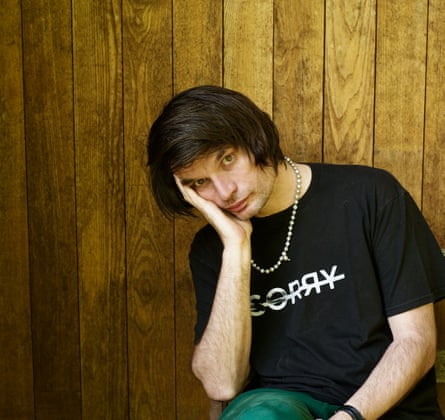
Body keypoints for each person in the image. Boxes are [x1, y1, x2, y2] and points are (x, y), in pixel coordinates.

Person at [147, 85, 445, 419]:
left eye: (228, 159)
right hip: (276, 407)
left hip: (381, 409)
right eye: (200, 182)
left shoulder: (370, 196)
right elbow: (221, 385)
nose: (225, 191)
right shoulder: (211, 248)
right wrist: (235, 249)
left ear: (255, 137)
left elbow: (416, 342)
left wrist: (349, 418)